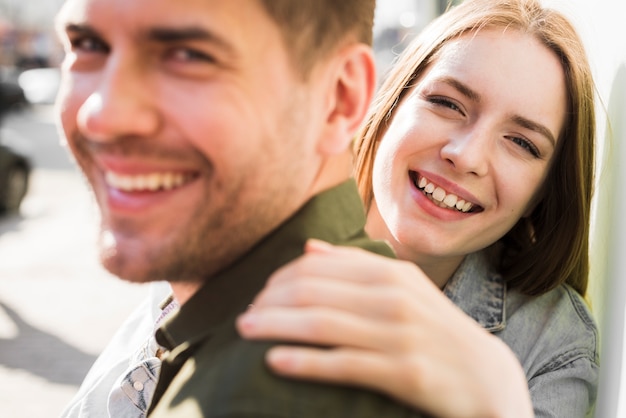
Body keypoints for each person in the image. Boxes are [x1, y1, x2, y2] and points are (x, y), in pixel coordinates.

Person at [55, 0, 433, 417]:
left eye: (188, 55)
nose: (102, 115)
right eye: (89, 44)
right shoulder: (210, 295)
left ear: (339, 98)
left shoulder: (274, 387)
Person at [236, 0, 599, 417]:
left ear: (542, 194)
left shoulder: (550, 343)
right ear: (394, 103)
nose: (466, 156)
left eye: (521, 143)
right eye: (448, 104)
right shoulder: (255, 226)